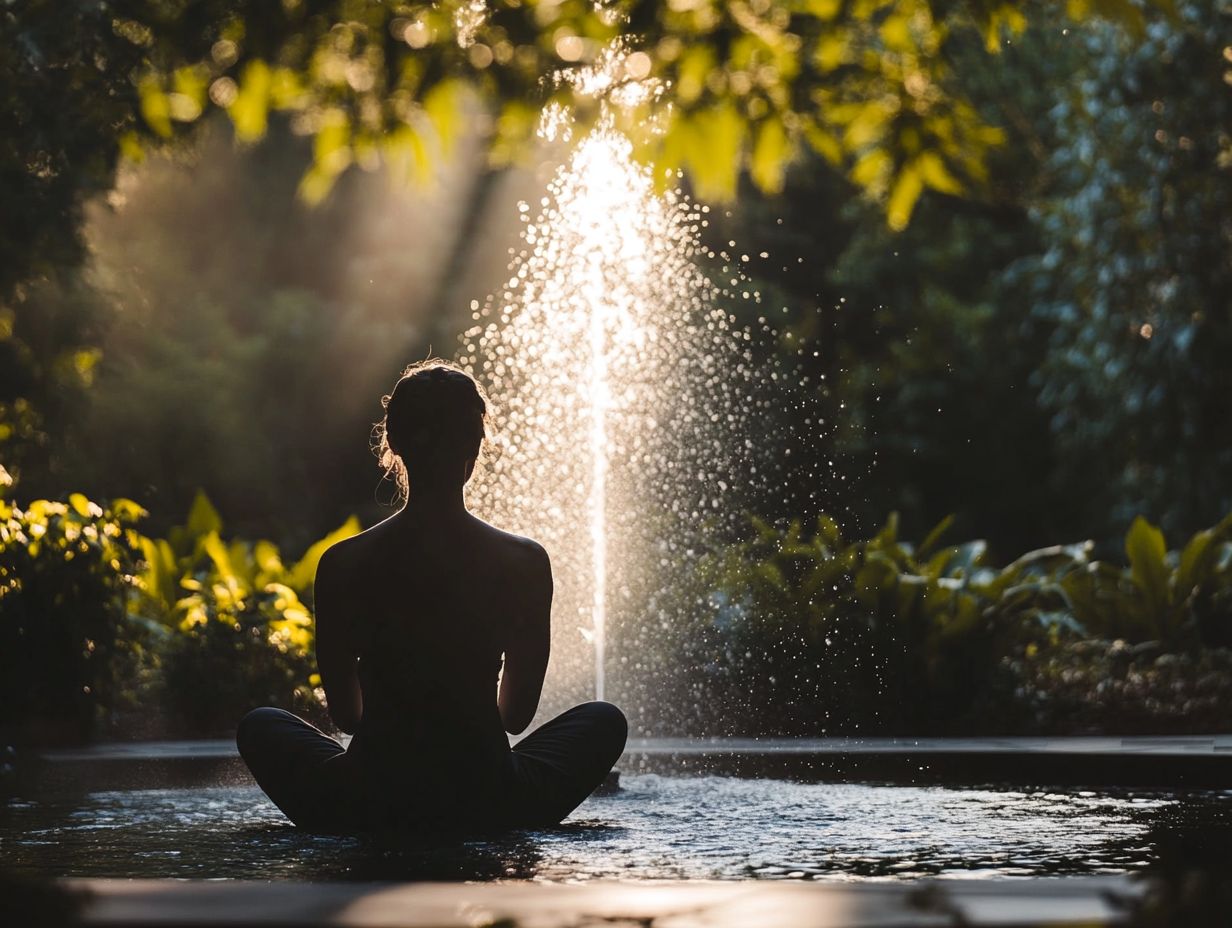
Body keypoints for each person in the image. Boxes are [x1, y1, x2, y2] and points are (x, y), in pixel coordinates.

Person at [236, 359, 626, 833]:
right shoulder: (523, 561)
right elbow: (516, 717)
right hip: (488, 795)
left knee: (261, 725)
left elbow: (348, 717)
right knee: (603, 720)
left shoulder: (343, 563)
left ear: (394, 444)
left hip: (368, 797)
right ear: (476, 445)